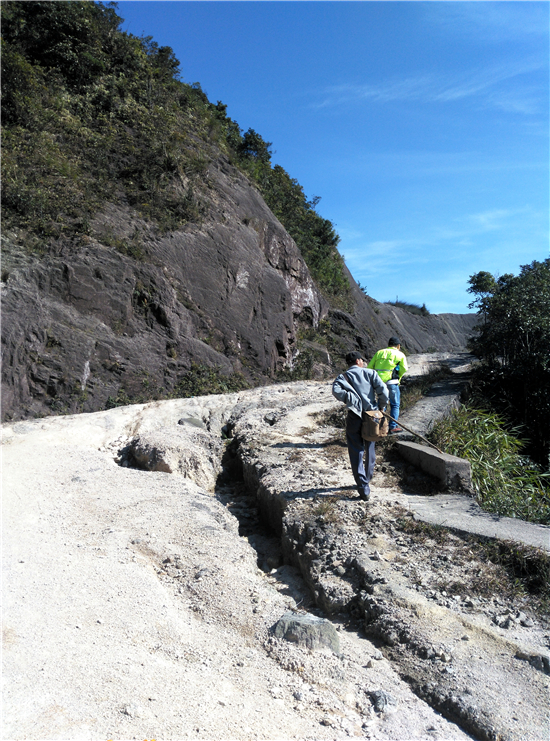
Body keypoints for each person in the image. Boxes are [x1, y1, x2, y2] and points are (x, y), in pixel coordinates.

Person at [332, 351, 389, 501]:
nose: (363, 362)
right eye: (362, 360)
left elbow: (335, 390)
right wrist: (382, 406)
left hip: (354, 415)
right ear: (358, 361)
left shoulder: (343, 377)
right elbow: (384, 391)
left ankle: (363, 487)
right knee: (370, 446)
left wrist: (350, 398)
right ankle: (368, 478)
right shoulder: (370, 373)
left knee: (355, 448)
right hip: (372, 415)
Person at [367, 337, 408, 433]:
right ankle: (392, 427)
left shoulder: (379, 353)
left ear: (388, 344)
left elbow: (369, 367)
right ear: (398, 346)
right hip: (392, 383)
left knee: (381, 405)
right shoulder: (400, 354)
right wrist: (398, 377)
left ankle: (378, 427)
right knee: (395, 404)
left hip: (379, 383)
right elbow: (404, 368)